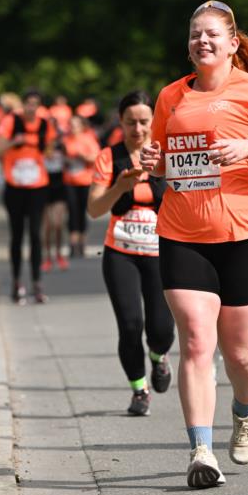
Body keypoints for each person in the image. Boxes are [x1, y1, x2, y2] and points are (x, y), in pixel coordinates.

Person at [141, 0, 248, 489]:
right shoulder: (170, 97)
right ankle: (200, 449)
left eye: (211, 34)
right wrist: (154, 159)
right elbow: (165, 161)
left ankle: (246, 410)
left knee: (239, 353)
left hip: (243, 234)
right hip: (182, 233)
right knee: (194, 340)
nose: (201, 41)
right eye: (194, 34)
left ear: (233, 44)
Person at [88, 90, 175, 416]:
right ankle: (139, 391)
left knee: (162, 329)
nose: (137, 130)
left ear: (154, 121)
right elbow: (94, 209)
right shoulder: (109, 158)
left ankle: (159, 357)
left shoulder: (165, 156)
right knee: (129, 324)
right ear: (120, 123)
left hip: (159, 252)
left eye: (143, 122)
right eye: (130, 123)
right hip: (120, 252)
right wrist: (119, 188)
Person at [0, 89, 56, 304]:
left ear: (39, 106)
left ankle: (37, 284)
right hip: (14, 186)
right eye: (28, 103)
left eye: (35, 104)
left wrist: (50, 154)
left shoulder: (45, 124)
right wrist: (14, 141)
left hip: (37, 185)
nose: (31, 108)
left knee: (36, 235)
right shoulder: (11, 121)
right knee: (17, 235)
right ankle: (17, 283)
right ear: (23, 104)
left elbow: (49, 149)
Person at [63, 115, 100, 258]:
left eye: (75, 125)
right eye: (70, 125)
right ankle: (72, 244)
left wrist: (83, 157)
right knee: (72, 212)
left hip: (85, 181)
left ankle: (82, 243)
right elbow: (58, 157)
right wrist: (66, 159)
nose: (73, 128)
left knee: (82, 212)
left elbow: (97, 157)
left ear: (81, 126)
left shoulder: (88, 139)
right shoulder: (66, 140)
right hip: (69, 180)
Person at [41, 130, 69, 272]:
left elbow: (69, 163)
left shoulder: (61, 147)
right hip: (44, 189)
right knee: (47, 226)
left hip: (59, 188)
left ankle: (59, 254)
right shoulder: (39, 147)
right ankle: (47, 257)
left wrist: (65, 158)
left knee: (58, 224)